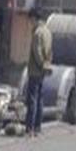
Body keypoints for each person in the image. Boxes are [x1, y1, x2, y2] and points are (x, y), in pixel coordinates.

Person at [25, 7, 53, 137]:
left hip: (35, 71)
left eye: (30, 20)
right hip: (43, 71)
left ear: (34, 18)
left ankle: (29, 128)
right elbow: (50, 51)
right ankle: (38, 127)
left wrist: (41, 65)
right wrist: (47, 65)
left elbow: (37, 52)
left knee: (32, 100)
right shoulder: (48, 32)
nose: (30, 23)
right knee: (40, 99)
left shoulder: (37, 33)